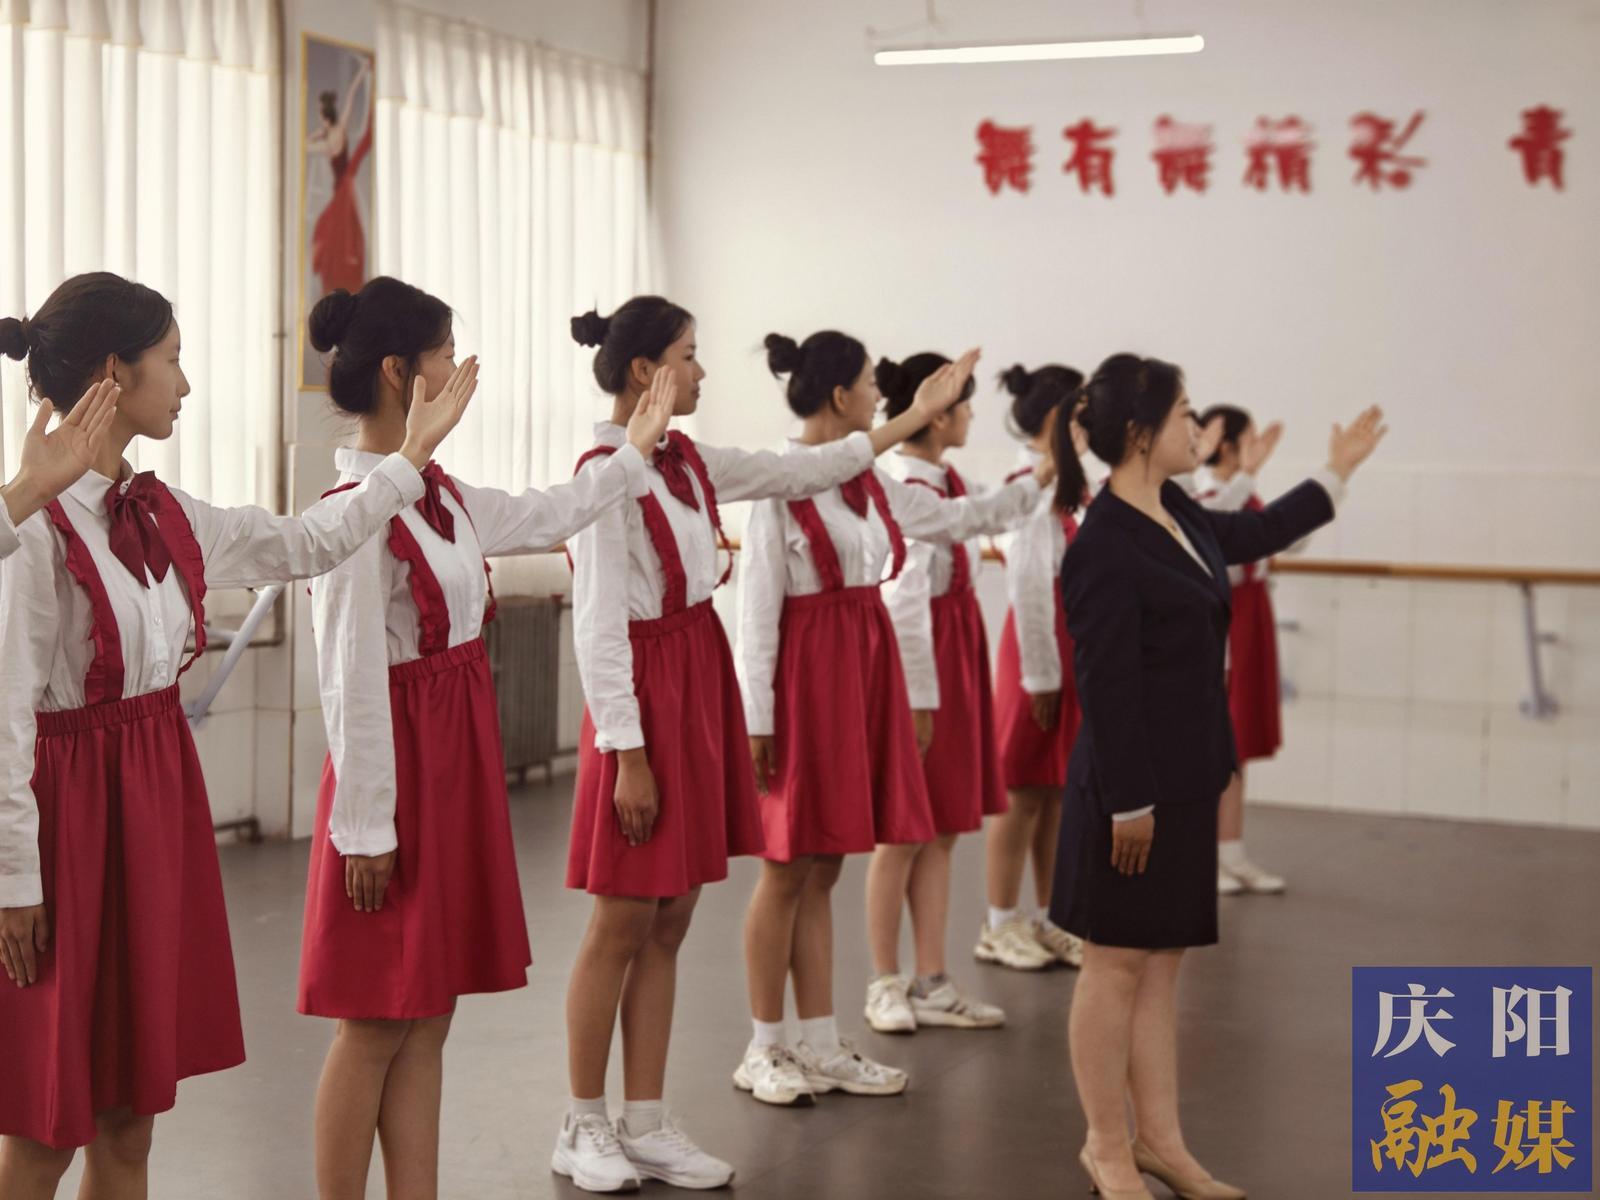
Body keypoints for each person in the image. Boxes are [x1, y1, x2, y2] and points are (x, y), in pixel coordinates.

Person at [0, 271, 470, 1200]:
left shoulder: (167, 514)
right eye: (172, 361)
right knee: (48, 1128)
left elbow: (308, 542)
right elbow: (6, 720)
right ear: (113, 372)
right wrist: (15, 881)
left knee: (130, 1118)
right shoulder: (33, 534)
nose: (185, 384)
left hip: (151, 802)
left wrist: (408, 457)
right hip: (67, 823)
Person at [557, 297, 981, 1192]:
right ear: (646, 372)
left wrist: (909, 415)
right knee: (621, 917)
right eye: (689, 354)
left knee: (671, 916)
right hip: (642, 695)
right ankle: (583, 1121)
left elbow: (810, 467)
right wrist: (627, 752)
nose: (703, 370)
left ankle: (646, 1120)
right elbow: (597, 628)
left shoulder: (692, 462)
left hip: (691, 677)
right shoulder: (604, 476)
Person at [297, 277, 674, 1200]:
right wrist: (367, 826)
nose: (458, 370)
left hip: (452, 758)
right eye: (443, 355)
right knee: (375, 1018)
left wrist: (631, 453)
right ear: (400, 373)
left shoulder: (445, 497)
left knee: (430, 1014)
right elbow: (350, 681)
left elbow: (548, 513)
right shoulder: (354, 511)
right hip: (396, 770)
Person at [1051, 352, 1385, 1199]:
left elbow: (1256, 535)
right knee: (1114, 966)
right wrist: (1130, 802)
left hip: (1188, 779)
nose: (1196, 427)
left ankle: (1162, 1142)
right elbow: (1106, 688)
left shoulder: (1177, 512)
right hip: (1131, 794)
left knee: (1161, 965)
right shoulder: (1102, 543)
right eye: (1184, 414)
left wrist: (1336, 472)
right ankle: (1106, 1146)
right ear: (1140, 434)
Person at [736, 330, 1046, 1107]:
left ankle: (818, 1039)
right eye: (872, 384)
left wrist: (1041, 480)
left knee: (824, 865)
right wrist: (758, 718)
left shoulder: (866, 480)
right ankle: (764, 1046)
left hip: (855, 670)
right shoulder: (781, 485)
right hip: (805, 676)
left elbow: (953, 520)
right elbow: (757, 612)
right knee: (786, 865)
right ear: (841, 395)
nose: (880, 396)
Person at [979, 363, 1088, 972]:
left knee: (1056, 791)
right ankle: (999, 923)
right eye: (1080, 414)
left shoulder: (1071, 483)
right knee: (1021, 792)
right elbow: (1027, 582)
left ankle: (1051, 917)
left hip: (1067, 645)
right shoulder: (1028, 485)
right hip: (1035, 651)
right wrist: (1041, 676)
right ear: (1055, 418)